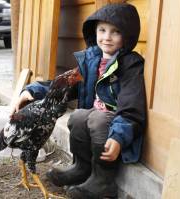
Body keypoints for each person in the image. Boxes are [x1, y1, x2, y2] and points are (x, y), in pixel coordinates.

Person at [11, 3, 146, 199]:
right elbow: (64, 84)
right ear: (95, 31)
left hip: (115, 123)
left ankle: (103, 180)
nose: (107, 37)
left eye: (115, 32)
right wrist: (31, 90)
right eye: (102, 30)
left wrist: (118, 136)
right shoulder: (92, 59)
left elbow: (131, 108)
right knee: (78, 116)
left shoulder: (130, 65)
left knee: (97, 119)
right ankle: (81, 168)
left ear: (128, 35)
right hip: (95, 118)